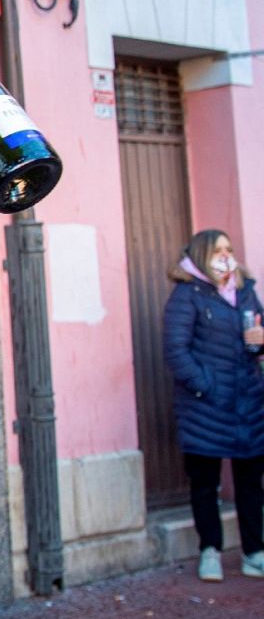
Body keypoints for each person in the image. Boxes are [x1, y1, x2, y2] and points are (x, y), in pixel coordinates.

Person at [162, 229, 264, 582]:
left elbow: (256, 339)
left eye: (229, 249)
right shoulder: (187, 294)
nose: (226, 255)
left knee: (251, 481)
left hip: (247, 403)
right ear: (204, 254)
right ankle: (210, 551)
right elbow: (176, 350)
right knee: (205, 483)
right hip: (204, 407)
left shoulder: (246, 291)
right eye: (218, 250)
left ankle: (254, 552)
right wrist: (207, 386)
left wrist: (258, 343)